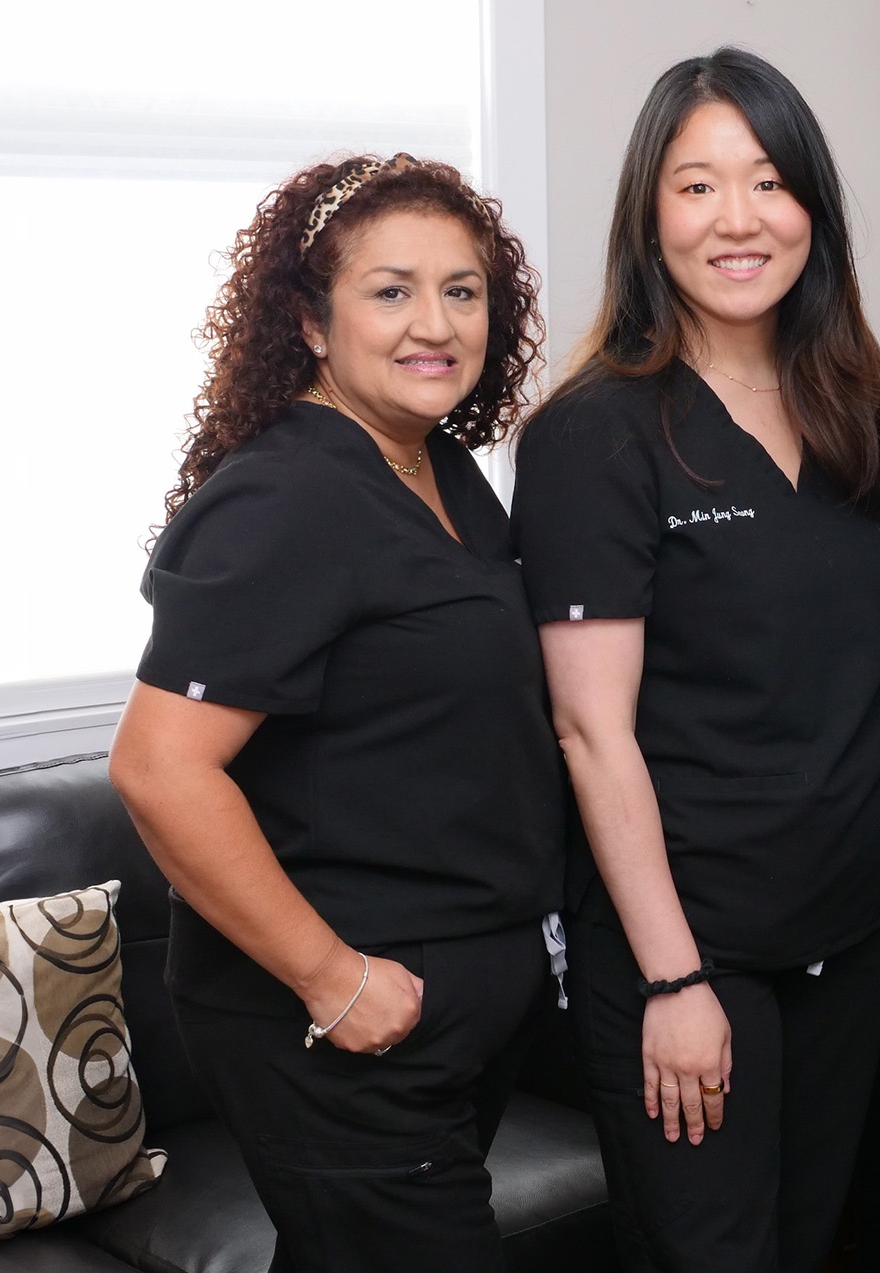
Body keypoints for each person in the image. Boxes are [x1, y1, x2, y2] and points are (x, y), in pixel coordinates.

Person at [108, 154, 560, 1273]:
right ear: (311, 323)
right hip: (340, 1020)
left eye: (463, 291)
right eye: (391, 290)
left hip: (454, 1004)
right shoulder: (286, 496)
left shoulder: (439, 469)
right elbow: (161, 770)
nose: (436, 323)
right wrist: (331, 977)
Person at [509, 49, 880, 1273]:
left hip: (847, 942)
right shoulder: (595, 433)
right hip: (692, 951)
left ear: (812, 214)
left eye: (770, 182)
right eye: (697, 187)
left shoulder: (856, 408)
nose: (739, 219)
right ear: (649, 216)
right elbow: (591, 730)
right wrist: (675, 979)